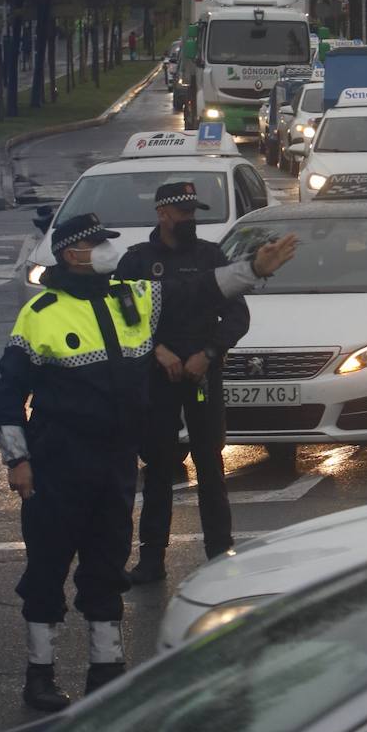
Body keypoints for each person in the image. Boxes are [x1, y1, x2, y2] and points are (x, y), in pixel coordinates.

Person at [0, 213, 158, 712]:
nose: (106, 250)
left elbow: (193, 295)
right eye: (94, 244)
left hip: (114, 461)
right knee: (46, 568)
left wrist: (252, 269)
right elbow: (7, 395)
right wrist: (17, 461)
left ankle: (106, 672)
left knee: (107, 566)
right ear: (69, 253)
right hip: (58, 461)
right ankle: (39, 676)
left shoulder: (129, 298)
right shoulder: (41, 312)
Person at [117, 182, 296, 584]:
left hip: (202, 374)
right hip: (158, 376)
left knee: (210, 464)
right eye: (182, 213)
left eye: (193, 213)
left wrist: (209, 354)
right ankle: (152, 559)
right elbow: (123, 318)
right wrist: (157, 350)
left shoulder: (209, 256)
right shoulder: (137, 261)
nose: (190, 220)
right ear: (162, 214)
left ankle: (220, 551)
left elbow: (237, 316)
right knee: (159, 466)